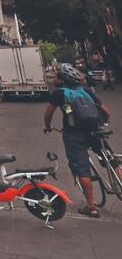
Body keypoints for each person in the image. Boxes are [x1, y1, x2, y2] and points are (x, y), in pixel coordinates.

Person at [43, 62, 112, 219]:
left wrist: (47, 126)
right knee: (110, 161)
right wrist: (105, 120)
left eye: (57, 75)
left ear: (62, 79)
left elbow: (48, 114)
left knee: (82, 169)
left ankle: (91, 207)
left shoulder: (59, 94)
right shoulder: (86, 91)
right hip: (95, 132)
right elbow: (105, 111)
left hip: (74, 135)